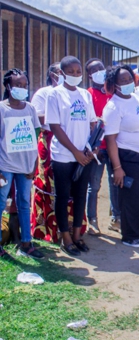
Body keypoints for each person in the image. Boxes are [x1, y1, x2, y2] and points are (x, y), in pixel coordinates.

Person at [45, 56, 96, 257]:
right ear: (62, 73)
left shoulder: (85, 95)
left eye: (78, 71)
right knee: (63, 196)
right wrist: (75, 151)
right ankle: (65, 237)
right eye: (71, 71)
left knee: (81, 195)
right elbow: (55, 127)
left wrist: (90, 149)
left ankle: (77, 234)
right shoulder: (55, 95)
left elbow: (92, 122)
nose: (76, 75)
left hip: (84, 155)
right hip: (64, 155)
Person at [103, 65, 139, 248]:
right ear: (114, 84)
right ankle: (130, 236)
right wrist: (117, 168)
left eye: (129, 79)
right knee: (131, 199)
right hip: (128, 158)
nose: (127, 83)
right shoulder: (113, 106)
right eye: (123, 81)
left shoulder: (136, 98)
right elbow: (110, 139)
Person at [0, 69, 44, 259]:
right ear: (8, 87)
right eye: (18, 85)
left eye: (25, 85)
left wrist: (34, 164)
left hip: (26, 166)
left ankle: (26, 242)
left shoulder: (30, 108)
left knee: (25, 203)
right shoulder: (2, 109)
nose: (22, 88)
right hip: (5, 166)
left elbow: (35, 136)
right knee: (1, 203)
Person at [30, 63, 71, 242]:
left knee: (69, 186)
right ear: (53, 74)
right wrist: (56, 116)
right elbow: (36, 116)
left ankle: (68, 227)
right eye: (60, 72)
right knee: (47, 182)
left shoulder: (72, 93)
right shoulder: (43, 93)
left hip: (69, 141)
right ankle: (46, 229)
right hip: (48, 140)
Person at [85, 58, 116, 236]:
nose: (99, 71)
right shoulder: (88, 94)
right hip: (97, 149)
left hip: (113, 146)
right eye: (94, 70)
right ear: (90, 76)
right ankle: (92, 220)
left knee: (114, 184)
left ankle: (115, 218)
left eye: (101, 68)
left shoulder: (111, 93)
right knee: (94, 185)